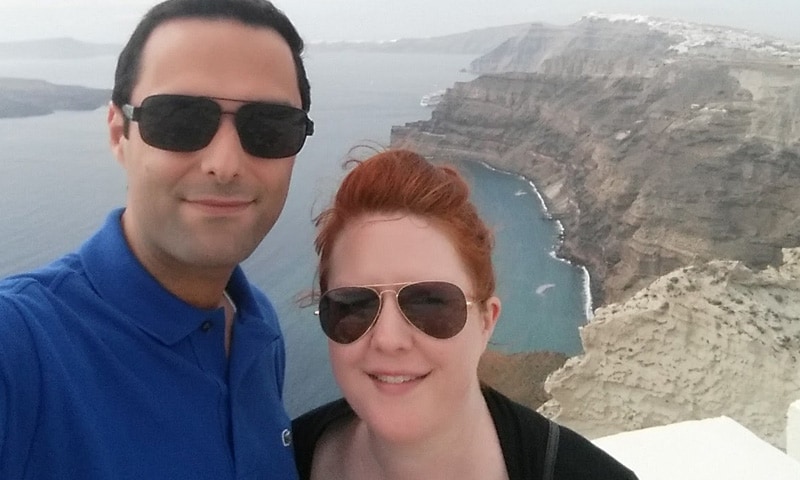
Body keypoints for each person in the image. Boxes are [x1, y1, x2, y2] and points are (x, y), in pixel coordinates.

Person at [0, 0, 313, 478]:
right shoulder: (22, 346)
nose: (224, 163)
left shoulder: (258, 327)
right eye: (181, 120)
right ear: (118, 133)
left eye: (268, 128)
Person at [292, 149, 638, 480]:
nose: (388, 339)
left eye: (430, 303)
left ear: (486, 321)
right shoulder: (280, 461)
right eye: (354, 305)